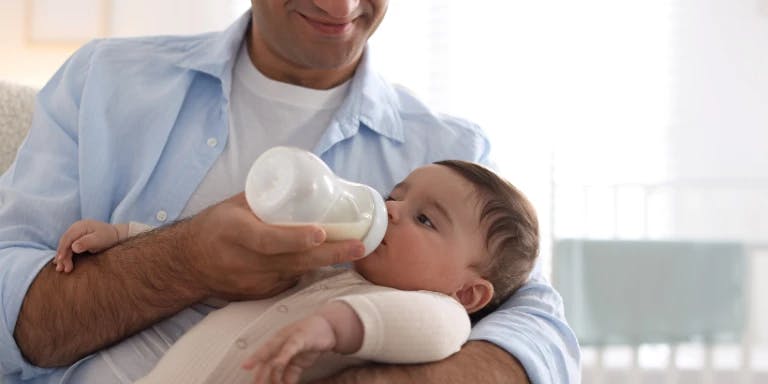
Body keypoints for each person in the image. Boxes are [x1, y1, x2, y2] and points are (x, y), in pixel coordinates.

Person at [0, 1, 580, 383]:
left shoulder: (453, 154)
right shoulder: (106, 80)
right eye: (395, 195)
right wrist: (179, 257)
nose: (341, 8)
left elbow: (537, 331)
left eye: (424, 219)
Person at [53, 160, 540, 384]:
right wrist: (125, 236)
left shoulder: (441, 311)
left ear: (468, 294)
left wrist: (330, 327)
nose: (391, 210)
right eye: (396, 195)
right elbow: (229, 269)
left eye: (425, 219)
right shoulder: (323, 270)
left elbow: (423, 329)